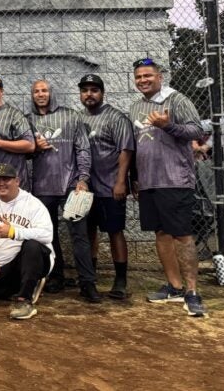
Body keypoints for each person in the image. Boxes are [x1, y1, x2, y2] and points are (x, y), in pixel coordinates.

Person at [128, 58, 207, 316]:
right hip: (149, 182)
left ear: (160, 76)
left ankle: (192, 292)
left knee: (181, 235)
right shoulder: (136, 107)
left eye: (148, 76)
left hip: (174, 180)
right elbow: (139, 146)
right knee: (160, 233)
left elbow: (196, 130)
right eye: (139, 77)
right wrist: (136, 177)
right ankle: (174, 287)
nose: (143, 80)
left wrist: (168, 125)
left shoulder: (177, 100)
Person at [26, 79, 98, 301]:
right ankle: (55, 276)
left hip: (71, 186)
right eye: (36, 91)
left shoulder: (70, 116)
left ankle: (87, 283)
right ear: (32, 95)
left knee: (79, 235)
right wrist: (34, 149)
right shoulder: (26, 120)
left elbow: (83, 149)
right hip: (41, 187)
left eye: (44, 90)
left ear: (51, 93)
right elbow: (21, 153)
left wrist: (83, 178)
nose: (41, 94)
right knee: (48, 235)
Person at [78, 74, 134, 300]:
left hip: (111, 186)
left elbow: (126, 151)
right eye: (85, 90)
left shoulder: (116, 117)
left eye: (94, 90)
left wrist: (121, 181)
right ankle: (90, 277)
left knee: (114, 231)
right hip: (86, 188)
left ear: (102, 93)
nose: (89, 94)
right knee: (89, 231)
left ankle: (120, 279)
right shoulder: (79, 118)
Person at [0, 163, 53, 320]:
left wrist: (14, 232)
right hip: (6, 265)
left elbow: (47, 235)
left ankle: (25, 300)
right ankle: (18, 287)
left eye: (6, 179)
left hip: (34, 261)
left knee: (32, 245)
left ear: (17, 181)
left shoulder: (33, 204)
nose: (1, 183)